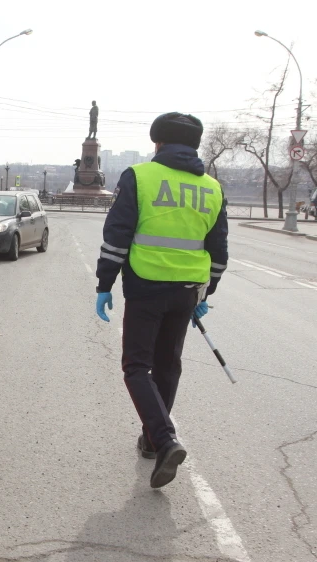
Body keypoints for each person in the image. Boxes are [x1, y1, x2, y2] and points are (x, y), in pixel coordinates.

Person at [94, 112, 228, 489]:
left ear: (158, 143)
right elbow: (219, 251)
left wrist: (105, 283)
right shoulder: (213, 189)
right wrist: (205, 292)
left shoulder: (140, 177)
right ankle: (153, 442)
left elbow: (118, 234)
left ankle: (165, 439)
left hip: (146, 286)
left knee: (137, 367)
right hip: (186, 293)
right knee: (168, 365)